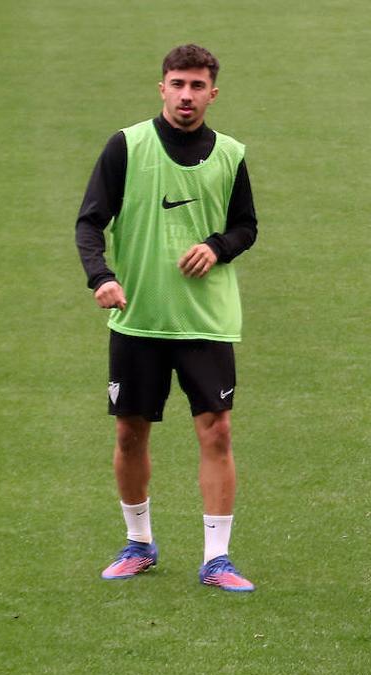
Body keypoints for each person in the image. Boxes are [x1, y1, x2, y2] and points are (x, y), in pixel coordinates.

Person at [76, 44, 259, 592]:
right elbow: (89, 222)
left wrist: (218, 245)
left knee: (218, 431)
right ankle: (139, 543)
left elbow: (247, 226)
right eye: (177, 84)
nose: (186, 95)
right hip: (140, 320)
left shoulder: (230, 154)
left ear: (213, 93)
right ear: (162, 87)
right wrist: (100, 276)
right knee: (131, 434)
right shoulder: (126, 147)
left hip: (205, 322)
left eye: (197, 86)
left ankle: (218, 558)